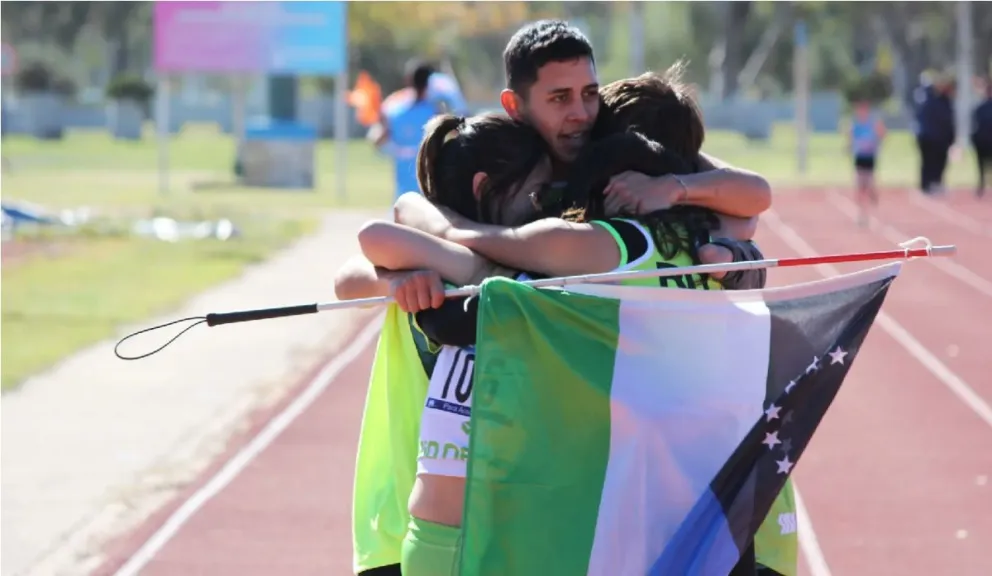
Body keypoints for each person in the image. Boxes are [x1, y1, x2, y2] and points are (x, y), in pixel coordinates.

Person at [338, 112, 553, 576]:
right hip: (400, 531)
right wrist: (393, 281)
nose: (543, 209)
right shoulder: (421, 258)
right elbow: (354, 266)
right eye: (535, 194)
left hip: (481, 531)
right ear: (484, 188)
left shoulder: (473, 264)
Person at [373, 60, 446, 201]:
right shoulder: (436, 112)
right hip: (429, 185)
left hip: (403, 187)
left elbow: (377, 140)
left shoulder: (394, 110)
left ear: (409, 81)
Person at [915, 73, 956, 195]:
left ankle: (935, 183)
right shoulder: (927, 99)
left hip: (939, 137)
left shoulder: (945, 101)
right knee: (929, 161)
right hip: (930, 136)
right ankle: (926, 185)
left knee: (939, 161)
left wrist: (951, 137)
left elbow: (949, 121)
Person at [847, 98, 886, 226]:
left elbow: (882, 134)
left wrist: (878, 143)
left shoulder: (872, 124)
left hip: (870, 158)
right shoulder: (856, 126)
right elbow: (851, 140)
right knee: (860, 187)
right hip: (860, 158)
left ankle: (871, 192)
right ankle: (862, 214)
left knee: (868, 184)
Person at [972, 79, 992, 198]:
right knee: (981, 165)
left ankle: (981, 185)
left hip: (982, 140)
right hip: (984, 140)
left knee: (981, 165)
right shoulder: (980, 108)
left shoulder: (979, 108)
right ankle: (981, 185)